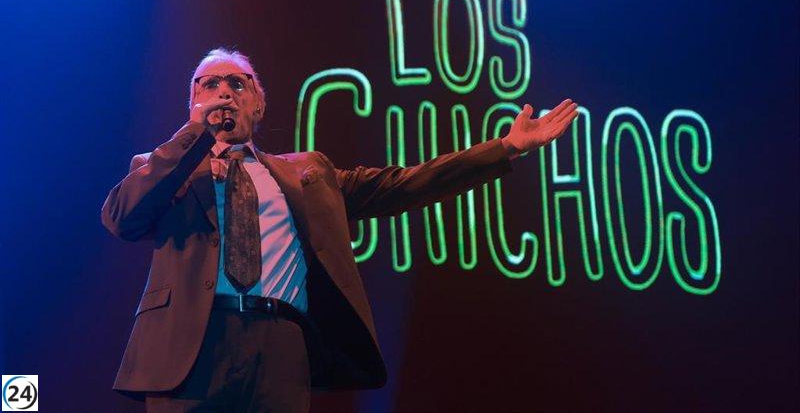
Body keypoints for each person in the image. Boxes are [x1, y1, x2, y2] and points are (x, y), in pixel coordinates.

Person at [101, 48, 578, 412]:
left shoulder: (306, 173)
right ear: (192, 101)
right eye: (209, 84)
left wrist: (507, 147)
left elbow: (405, 184)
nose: (224, 91)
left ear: (259, 103)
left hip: (280, 345)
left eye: (238, 82)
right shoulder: (163, 168)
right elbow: (123, 218)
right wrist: (192, 135)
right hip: (192, 344)